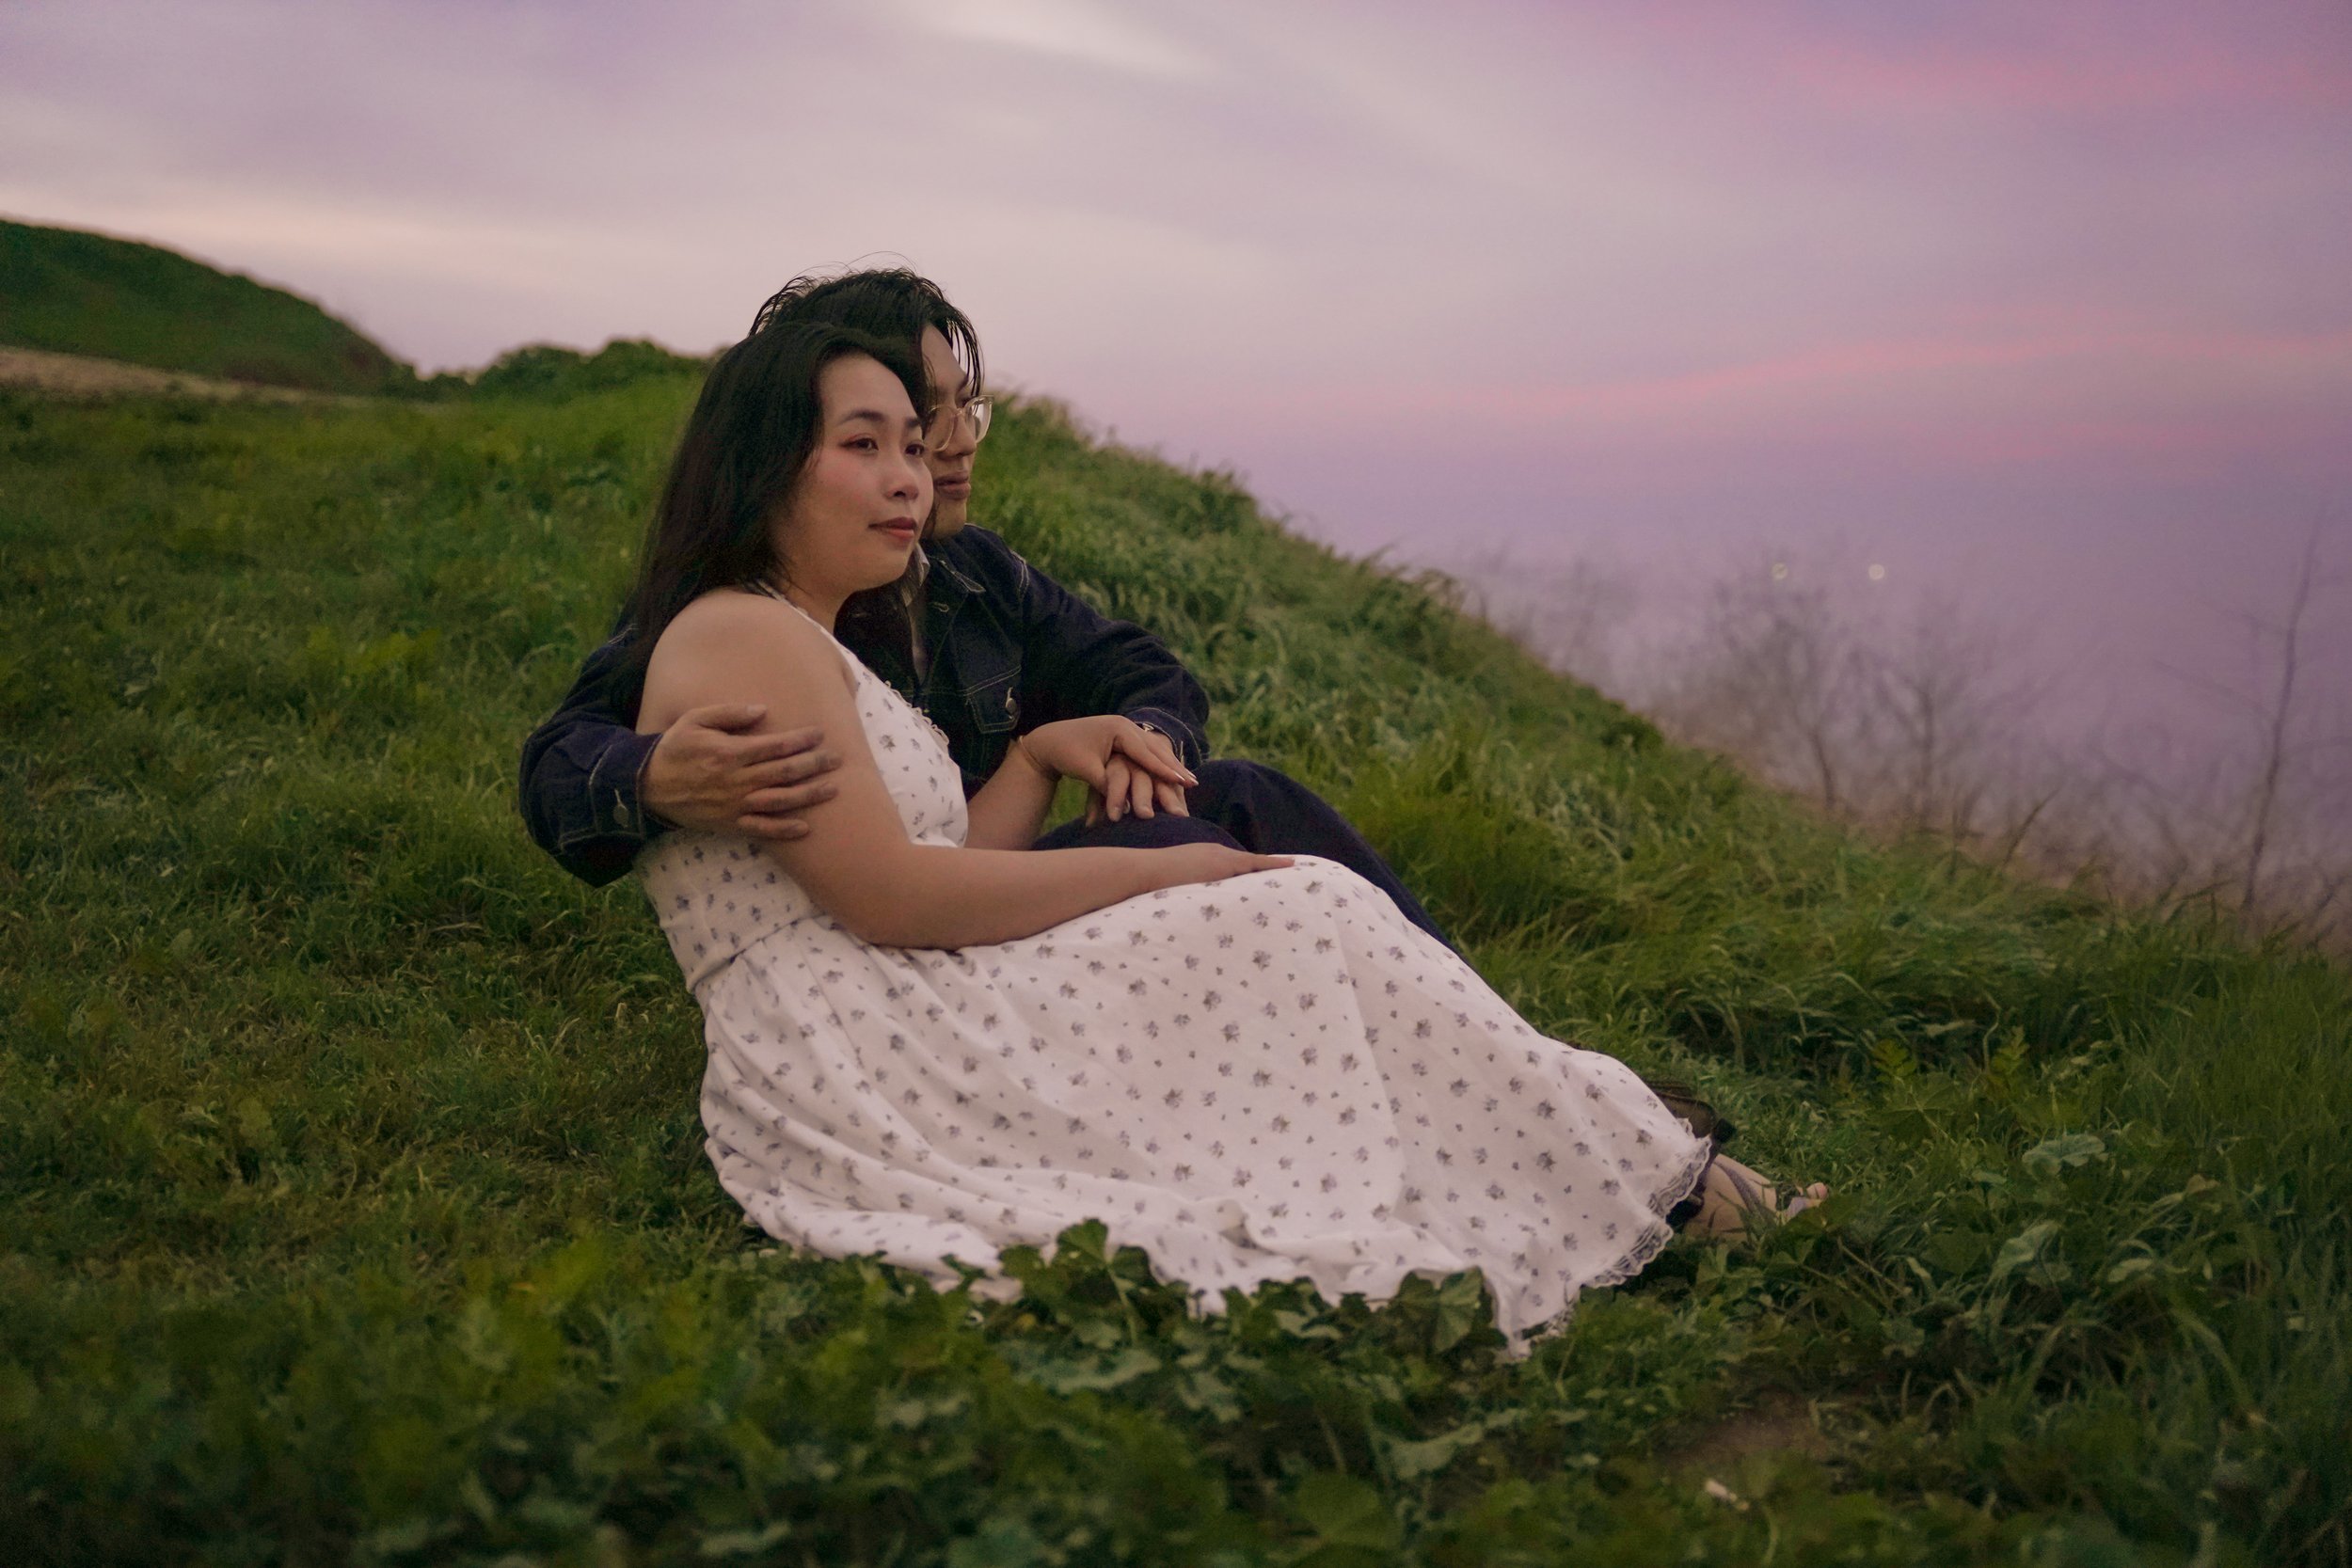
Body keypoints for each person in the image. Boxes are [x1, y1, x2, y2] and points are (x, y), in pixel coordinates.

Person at [614, 308, 1820, 1348]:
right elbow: (893, 899)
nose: (912, 475)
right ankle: (1638, 1171)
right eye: (865, 445)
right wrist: (1162, 873)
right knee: (1287, 902)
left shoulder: (805, 628)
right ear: (764, 465)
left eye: (913, 443)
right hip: (862, 1045)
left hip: (896, 995)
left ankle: (1618, 1160)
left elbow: (939, 861)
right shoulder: (743, 633)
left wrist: (1036, 753)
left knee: (1288, 894)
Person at [517, 268, 1451, 950]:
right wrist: (654, 777)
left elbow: (1139, 669)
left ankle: (1469, 1029)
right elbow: (560, 759)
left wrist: (1136, 750)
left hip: (969, 887)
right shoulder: (750, 616)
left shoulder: (973, 573)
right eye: (915, 420)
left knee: (1237, 796)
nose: (957, 444)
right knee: (1214, 864)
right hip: (899, 943)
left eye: (960, 412)